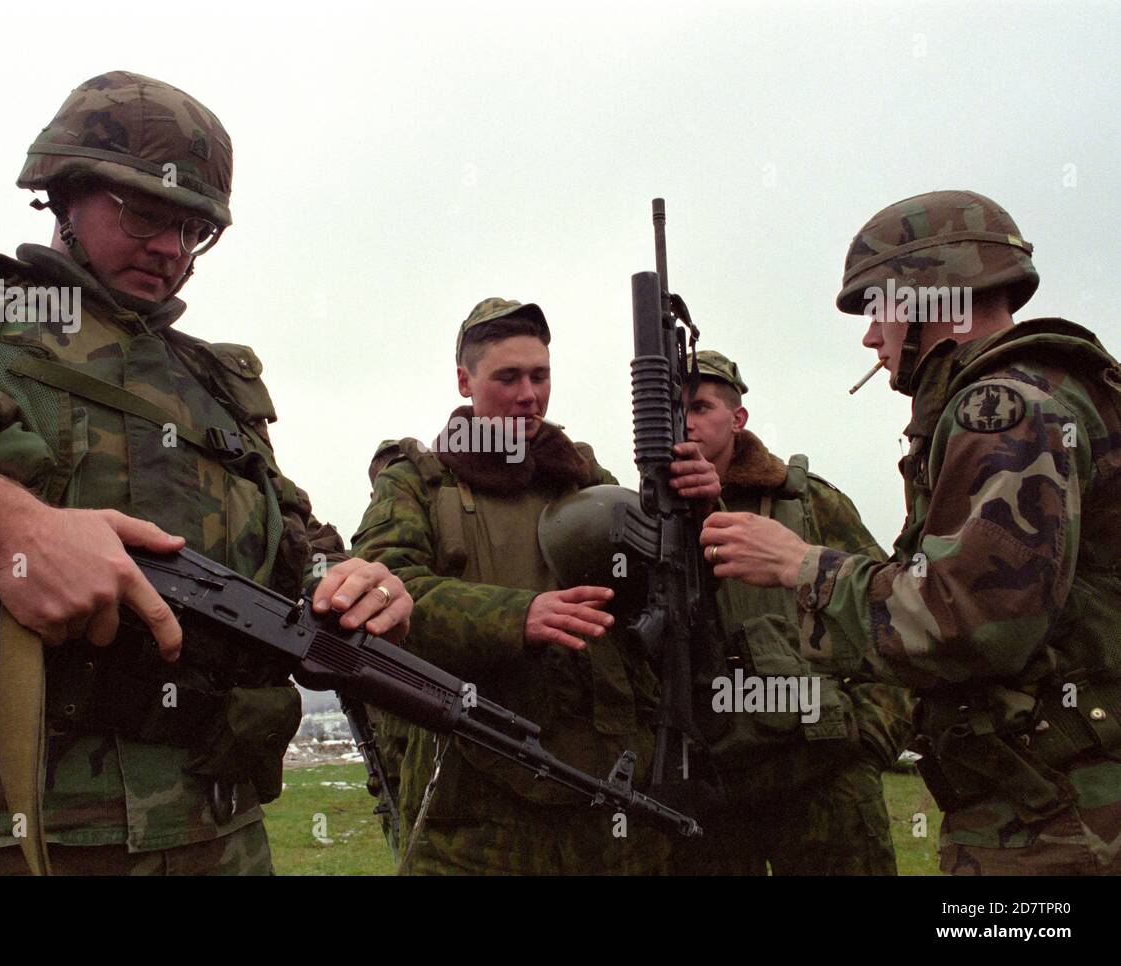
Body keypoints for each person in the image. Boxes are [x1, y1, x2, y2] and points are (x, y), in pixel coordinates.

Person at [0, 71, 411, 875]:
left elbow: (299, 544)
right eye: (145, 214)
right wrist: (5, 527)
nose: (170, 250)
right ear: (65, 194)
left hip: (208, 836)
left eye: (194, 231)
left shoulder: (217, 389)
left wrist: (350, 580)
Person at [699, 189, 1121, 875]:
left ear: (927, 298)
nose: (870, 337)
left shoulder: (1003, 407)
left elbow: (969, 620)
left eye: (876, 311)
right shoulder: (1041, 393)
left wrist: (803, 567)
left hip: (1054, 826)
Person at [349, 296, 720, 874]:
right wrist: (515, 616)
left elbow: (669, 592)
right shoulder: (417, 485)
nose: (529, 394)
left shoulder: (588, 480)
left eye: (540, 375)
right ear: (464, 381)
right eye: (508, 377)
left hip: (611, 794)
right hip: (475, 803)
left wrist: (694, 510)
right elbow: (380, 597)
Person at [667, 349, 913, 874]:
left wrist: (869, 741)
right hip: (711, 784)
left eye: (701, 405)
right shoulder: (650, 518)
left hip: (824, 772)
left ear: (737, 420)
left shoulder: (807, 504)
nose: (685, 418)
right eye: (673, 405)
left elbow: (890, 613)